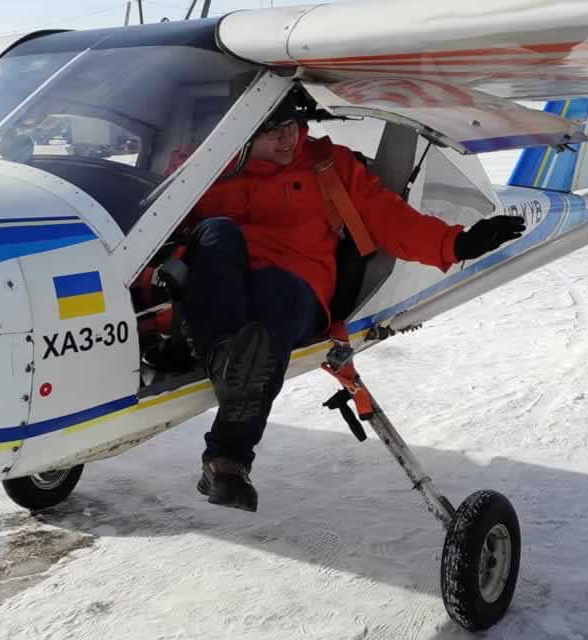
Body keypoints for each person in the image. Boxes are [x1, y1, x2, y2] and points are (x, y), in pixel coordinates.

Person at [184, 90, 528, 512]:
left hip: (294, 286)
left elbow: (390, 219)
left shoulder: (327, 165)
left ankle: (228, 460)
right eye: (272, 131)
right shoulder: (200, 167)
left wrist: (455, 242)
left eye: (291, 125)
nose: (288, 138)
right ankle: (226, 361)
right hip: (220, 285)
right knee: (216, 234)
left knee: (271, 313)